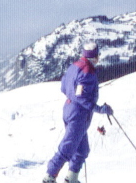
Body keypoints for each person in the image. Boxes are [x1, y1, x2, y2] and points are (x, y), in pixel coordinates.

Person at [42, 42, 113, 183]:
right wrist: (99, 109)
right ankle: (49, 177)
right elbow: (81, 97)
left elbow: (64, 86)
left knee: (82, 150)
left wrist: (72, 97)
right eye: (98, 55)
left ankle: (72, 178)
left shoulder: (74, 66)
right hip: (78, 115)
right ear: (94, 56)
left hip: (70, 109)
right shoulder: (88, 72)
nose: (99, 58)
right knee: (67, 147)